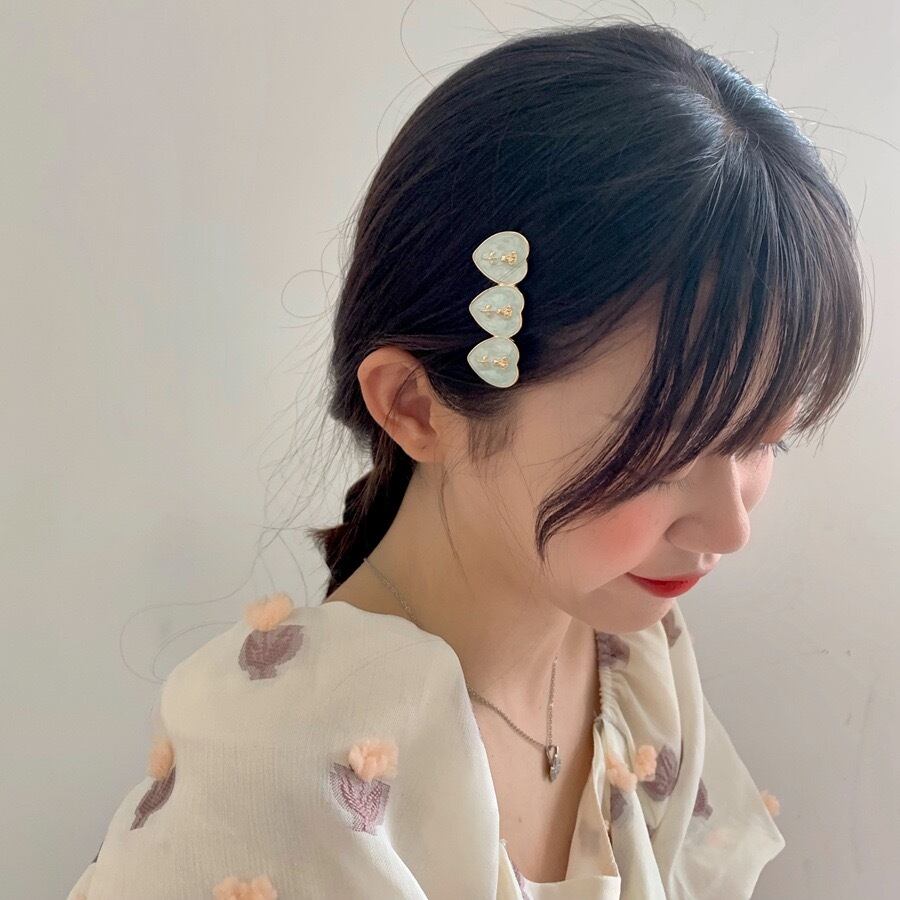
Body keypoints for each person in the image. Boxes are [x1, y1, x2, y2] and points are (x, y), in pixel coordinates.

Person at [67, 19, 865, 900]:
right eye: (662, 450)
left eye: (763, 438)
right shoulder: (275, 781)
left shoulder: (630, 652)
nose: (731, 527)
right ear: (415, 406)